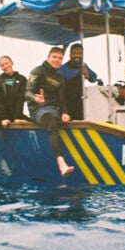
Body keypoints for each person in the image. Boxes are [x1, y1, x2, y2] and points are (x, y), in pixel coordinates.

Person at [26, 47, 75, 177]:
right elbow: (27, 91)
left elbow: (62, 99)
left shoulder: (59, 78)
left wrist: (65, 113)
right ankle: (61, 164)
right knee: (52, 124)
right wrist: (35, 98)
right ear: (48, 57)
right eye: (54, 57)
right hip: (38, 110)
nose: (57, 60)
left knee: (67, 122)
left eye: (60, 58)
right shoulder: (37, 71)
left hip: (54, 110)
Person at [58, 43, 99, 120]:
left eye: (80, 53)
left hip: (81, 102)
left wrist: (88, 75)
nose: (77, 56)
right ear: (70, 55)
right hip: (68, 103)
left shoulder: (83, 66)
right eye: (75, 53)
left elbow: (94, 77)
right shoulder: (62, 69)